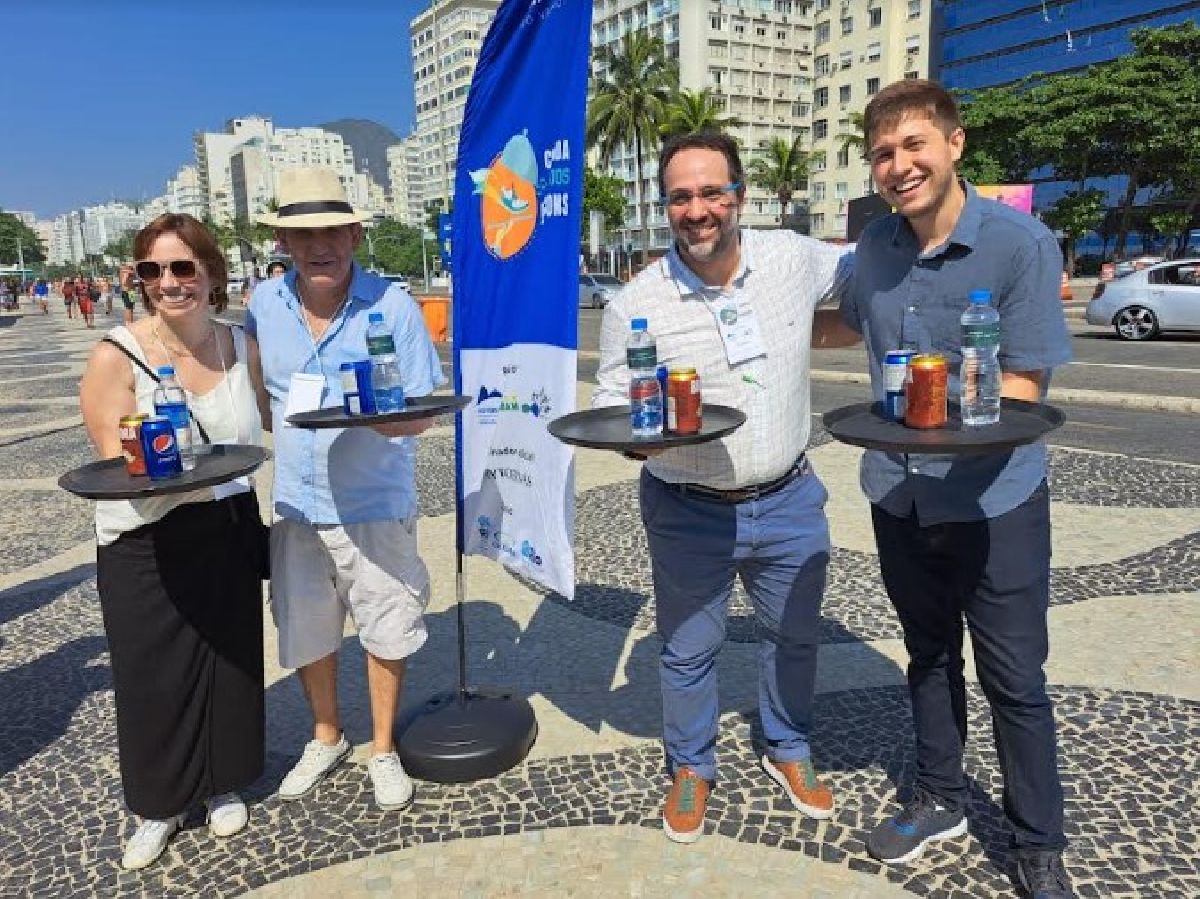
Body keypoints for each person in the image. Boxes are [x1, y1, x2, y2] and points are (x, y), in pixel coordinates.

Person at [812, 80, 1074, 898]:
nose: (899, 165)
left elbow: (1025, 388)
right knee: (927, 656)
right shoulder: (875, 251)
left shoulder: (1021, 245)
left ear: (954, 144)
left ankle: (1038, 841)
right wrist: (746, 318)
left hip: (995, 501)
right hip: (899, 494)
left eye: (914, 145)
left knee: (1015, 678)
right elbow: (843, 322)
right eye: (883, 153)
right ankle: (941, 795)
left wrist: (950, 418)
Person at [592, 132, 851, 844]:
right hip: (687, 506)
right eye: (681, 196)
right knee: (686, 648)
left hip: (790, 495)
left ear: (739, 195)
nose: (697, 210)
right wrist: (635, 438)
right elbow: (616, 404)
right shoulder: (636, 304)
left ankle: (787, 745)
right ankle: (691, 764)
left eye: (712, 192)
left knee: (794, 635)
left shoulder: (790, 258)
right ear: (664, 206)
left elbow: (873, 269)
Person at [246, 167, 444, 812]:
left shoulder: (394, 305)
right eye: (301, 234)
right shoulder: (263, 305)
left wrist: (385, 418)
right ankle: (326, 735)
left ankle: (382, 747)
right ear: (282, 241)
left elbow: (421, 411)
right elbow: (261, 399)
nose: (317, 245)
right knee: (307, 629)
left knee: (387, 625)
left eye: (331, 230)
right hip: (297, 502)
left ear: (356, 234)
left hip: (373, 502)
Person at [78, 213, 267, 871]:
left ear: (211, 273)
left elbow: (274, 422)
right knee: (151, 673)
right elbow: (115, 461)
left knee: (229, 659)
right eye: (152, 270)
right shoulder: (118, 353)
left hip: (225, 528)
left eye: (183, 267)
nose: (168, 282)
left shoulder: (241, 344)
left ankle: (222, 781)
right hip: (145, 537)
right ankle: (158, 805)